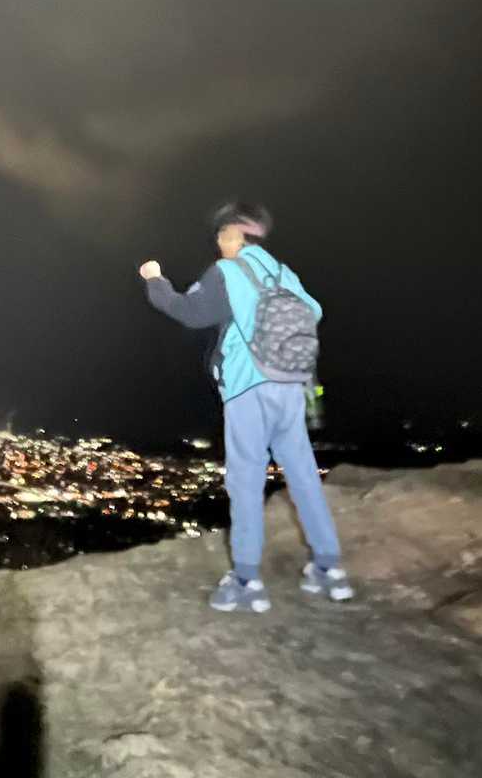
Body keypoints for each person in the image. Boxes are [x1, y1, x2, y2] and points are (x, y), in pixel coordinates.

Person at [138, 201, 352, 613]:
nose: (220, 244)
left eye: (223, 236)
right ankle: (330, 570)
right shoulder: (284, 274)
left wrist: (155, 280)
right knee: (303, 476)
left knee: (246, 481)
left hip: (248, 387)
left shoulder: (228, 271)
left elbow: (190, 313)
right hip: (291, 387)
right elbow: (314, 311)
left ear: (235, 234)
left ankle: (246, 581)